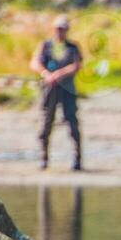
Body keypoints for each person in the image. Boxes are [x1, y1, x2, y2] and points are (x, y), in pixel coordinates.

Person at [30, 15, 83, 171]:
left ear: (67, 30)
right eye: (58, 28)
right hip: (49, 90)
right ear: (54, 29)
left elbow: (76, 65)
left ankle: (77, 159)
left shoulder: (73, 47)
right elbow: (34, 62)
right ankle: (44, 158)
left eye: (63, 29)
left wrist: (58, 74)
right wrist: (45, 74)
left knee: (72, 122)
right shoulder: (45, 46)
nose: (60, 31)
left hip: (67, 90)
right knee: (46, 122)